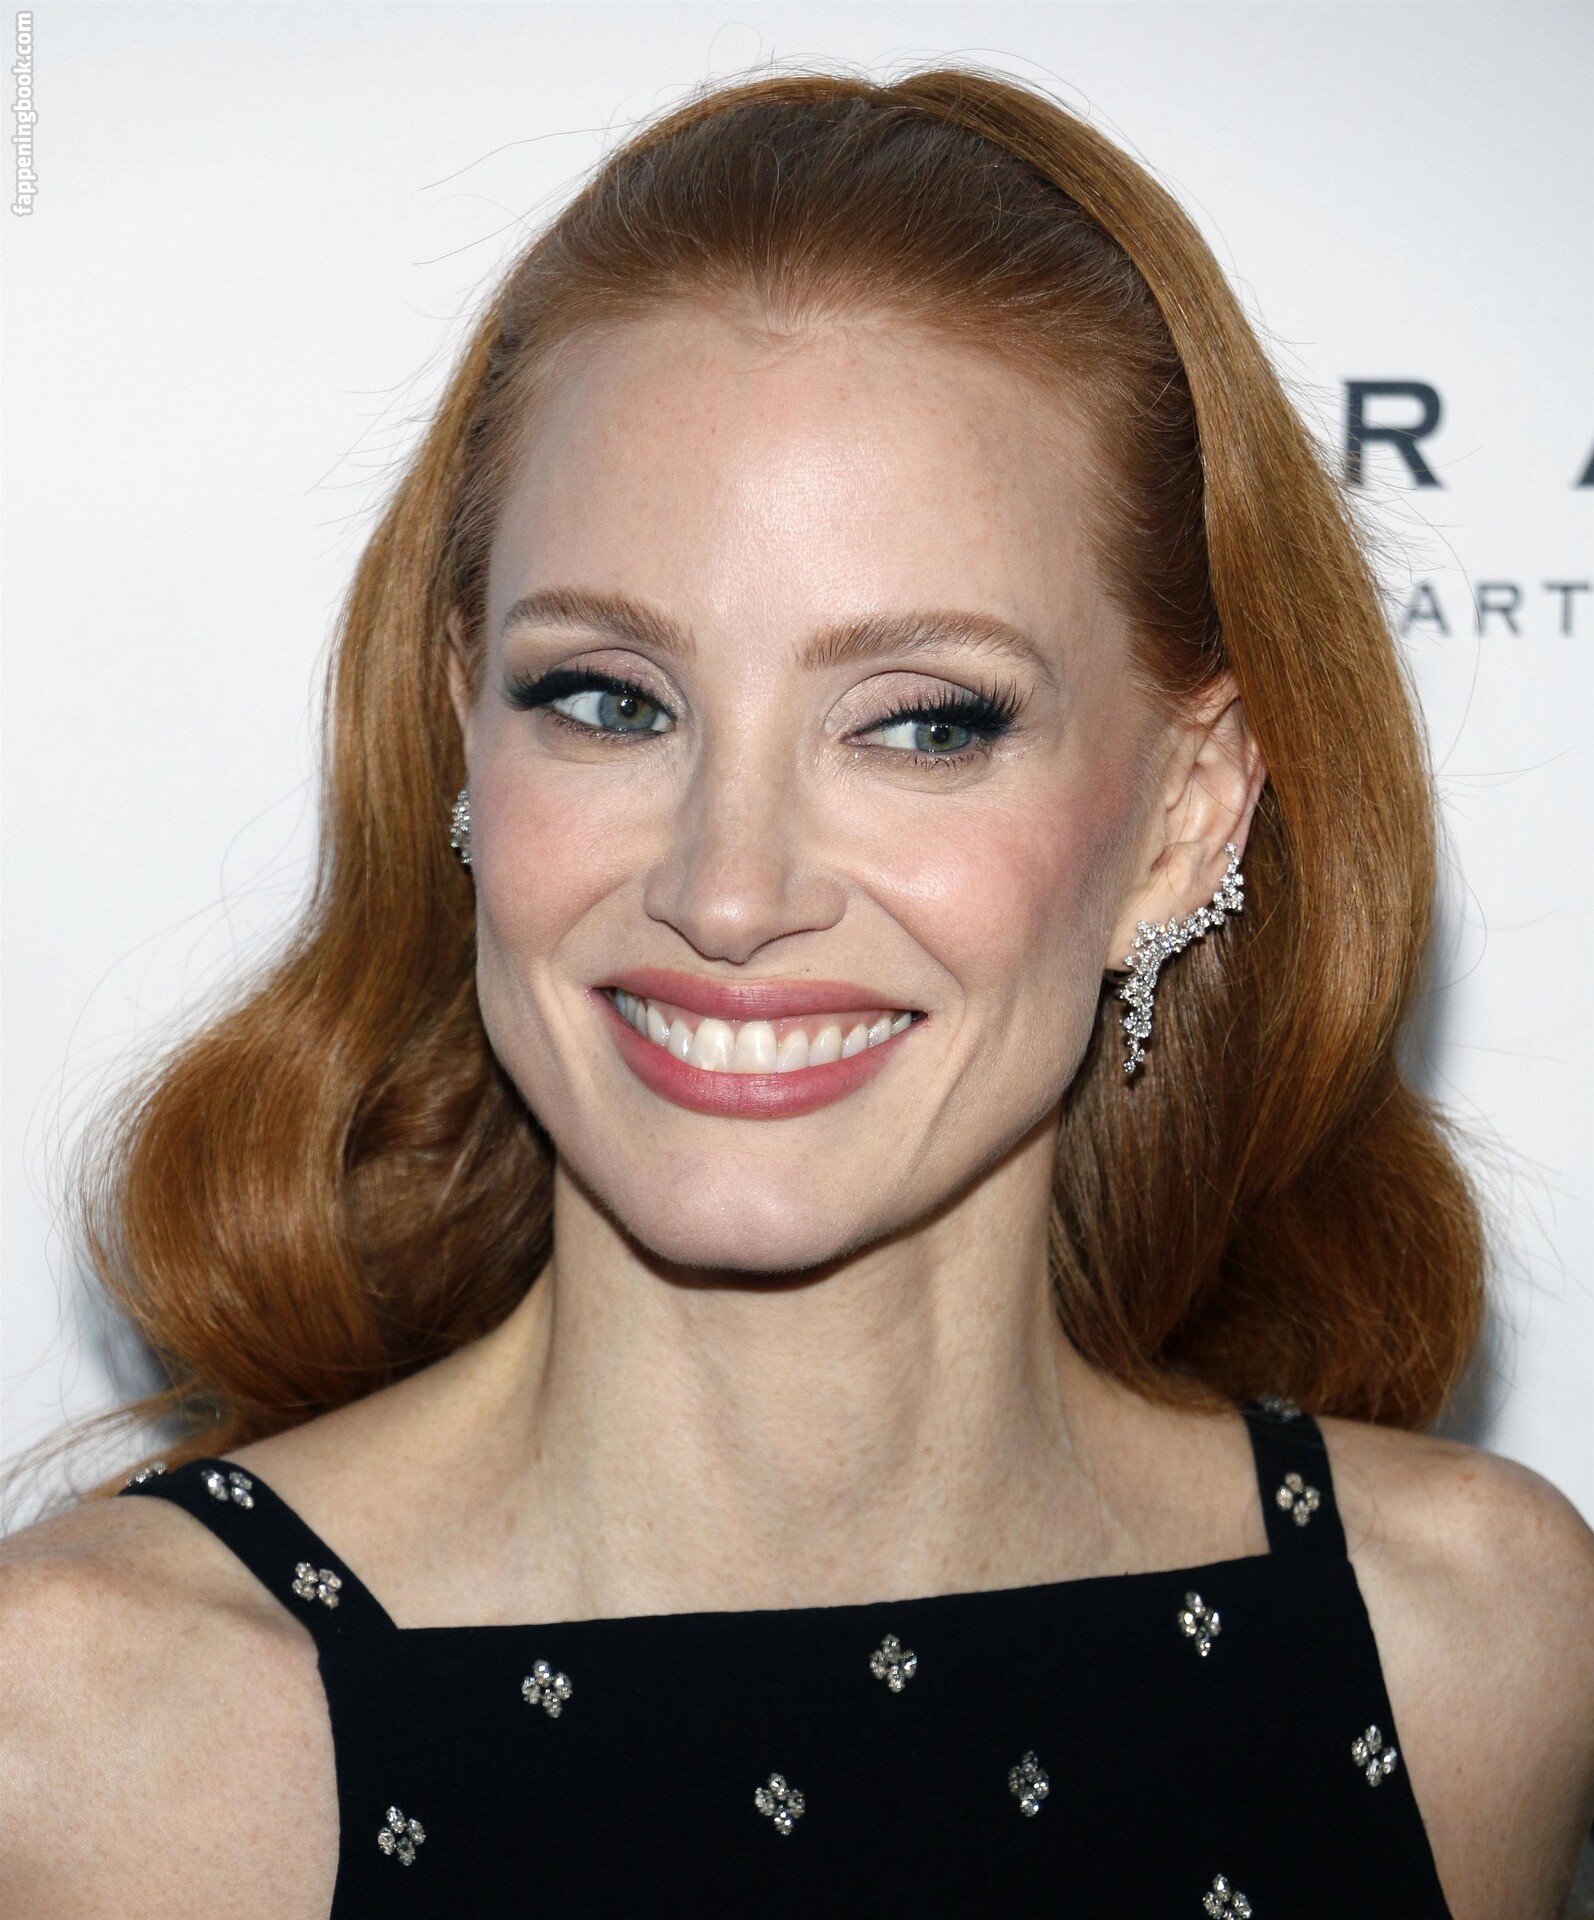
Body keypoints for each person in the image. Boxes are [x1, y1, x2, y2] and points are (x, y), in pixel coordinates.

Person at [1, 65, 1590, 1920]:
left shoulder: (1467, 1648)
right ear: (462, 736)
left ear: (1180, 818)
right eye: (607, 700)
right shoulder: (86, 1740)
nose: (728, 891)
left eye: (921, 724)